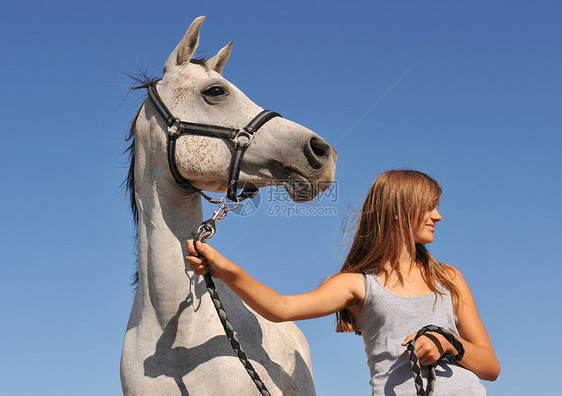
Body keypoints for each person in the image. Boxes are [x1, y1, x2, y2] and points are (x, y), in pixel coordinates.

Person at [185, 169, 500, 395]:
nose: (438, 216)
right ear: (398, 211)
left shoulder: (449, 278)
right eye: (429, 207)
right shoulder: (357, 285)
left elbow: (490, 366)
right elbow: (281, 308)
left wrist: (447, 343)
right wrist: (225, 269)